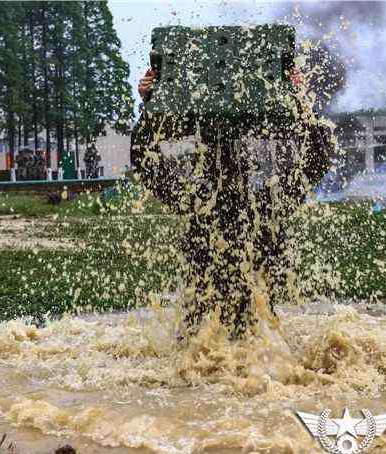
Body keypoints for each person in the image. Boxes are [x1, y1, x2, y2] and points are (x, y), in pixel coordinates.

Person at [131, 64, 332, 339]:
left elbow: (145, 160)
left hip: (207, 336)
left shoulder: (196, 204)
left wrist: (151, 112)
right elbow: (316, 160)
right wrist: (302, 106)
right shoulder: (265, 207)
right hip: (248, 339)